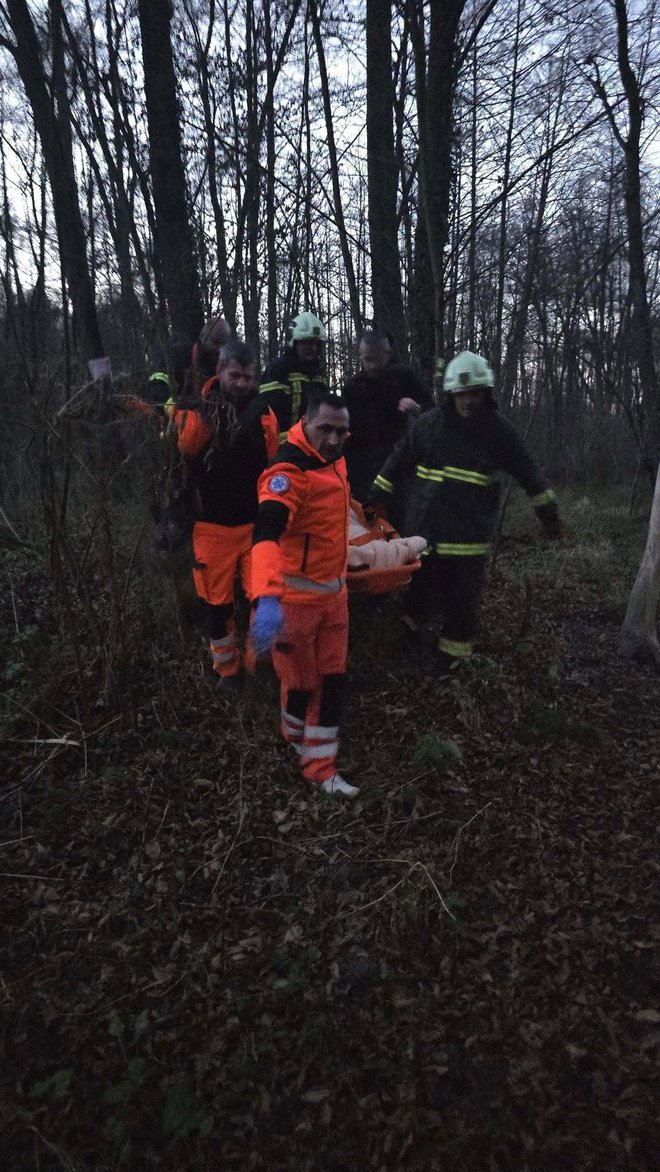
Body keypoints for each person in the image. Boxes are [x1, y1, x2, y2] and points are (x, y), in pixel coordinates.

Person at [366, 350, 561, 676]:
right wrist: (375, 498)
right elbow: (398, 461)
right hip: (425, 532)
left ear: (486, 394)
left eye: (476, 394)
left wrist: (549, 515)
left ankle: (452, 665)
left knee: (461, 603)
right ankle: (411, 647)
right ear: (451, 394)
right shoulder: (428, 426)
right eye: (462, 394)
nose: (468, 401)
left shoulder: (498, 433)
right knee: (417, 594)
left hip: (467, 538)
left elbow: (529, 472)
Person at [250, 387, 358, 797]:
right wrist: (267, 597)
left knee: (333, 681)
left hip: (335, 597)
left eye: (342, 431)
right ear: (305, 424)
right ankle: (293, 738)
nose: (333, 439)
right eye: (325, 429)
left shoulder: (336, 461)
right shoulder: (288, 471)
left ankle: (319, 765)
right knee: (301, 684)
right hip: (295, 603)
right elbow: (266, 530)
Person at [174, 340, 279, 690]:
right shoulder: (198, 410)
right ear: (219, 373)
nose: (242, 383)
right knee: (216, 606)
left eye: (248, 376)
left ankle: (258, 660)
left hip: (253, 526)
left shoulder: (264, 414)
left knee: (263, 597)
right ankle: (228, 671)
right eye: (235, 375)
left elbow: (274, 466)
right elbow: (186, 450)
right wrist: (207, 418)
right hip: (210, 527)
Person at [342, 330, 433, 505]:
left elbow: (432, 413)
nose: (373, 366)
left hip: (397, 463)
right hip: (361, 466)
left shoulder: (403, 378)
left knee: (399, 521)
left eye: (379, 359)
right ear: (360, 356)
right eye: (368, 359)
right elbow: (345, 434)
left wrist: (416, 408)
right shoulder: (352, 388)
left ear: (387, 354)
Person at [259, 311, 328, 441]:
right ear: (294, 343)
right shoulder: (279, 370)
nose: (311, 348)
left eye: (315, 343)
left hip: (313, 445)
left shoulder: (318, 374)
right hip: (283, 447)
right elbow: (269, 413)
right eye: (306, 342)